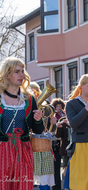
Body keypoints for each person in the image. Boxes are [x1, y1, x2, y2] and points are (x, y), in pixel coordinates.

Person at [0, 57, 44, 190]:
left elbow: (38, 130)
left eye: (22, 71)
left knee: (23, 185)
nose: (21, 75)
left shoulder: (29, 99)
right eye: (17, 72)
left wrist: (38, 120)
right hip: (2, 148)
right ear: (7, 75)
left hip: (23, 149)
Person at [29, 82, 56, 190]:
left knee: (44, 178)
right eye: (30, 92)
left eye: (34, 92)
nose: (32, 94)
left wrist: (53, 124)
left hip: (42, 146)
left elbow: (51, 131)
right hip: (28, 145)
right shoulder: (22, 105)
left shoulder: (47, 108)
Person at [50, 98, 67, 190]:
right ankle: (56, 187)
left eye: (60, 106)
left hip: (64, 143)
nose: (59, 108)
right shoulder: (52, 115)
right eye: (57, 106)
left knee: (66, 166)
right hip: (55, 143)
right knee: (56, 167)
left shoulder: (64, 114)